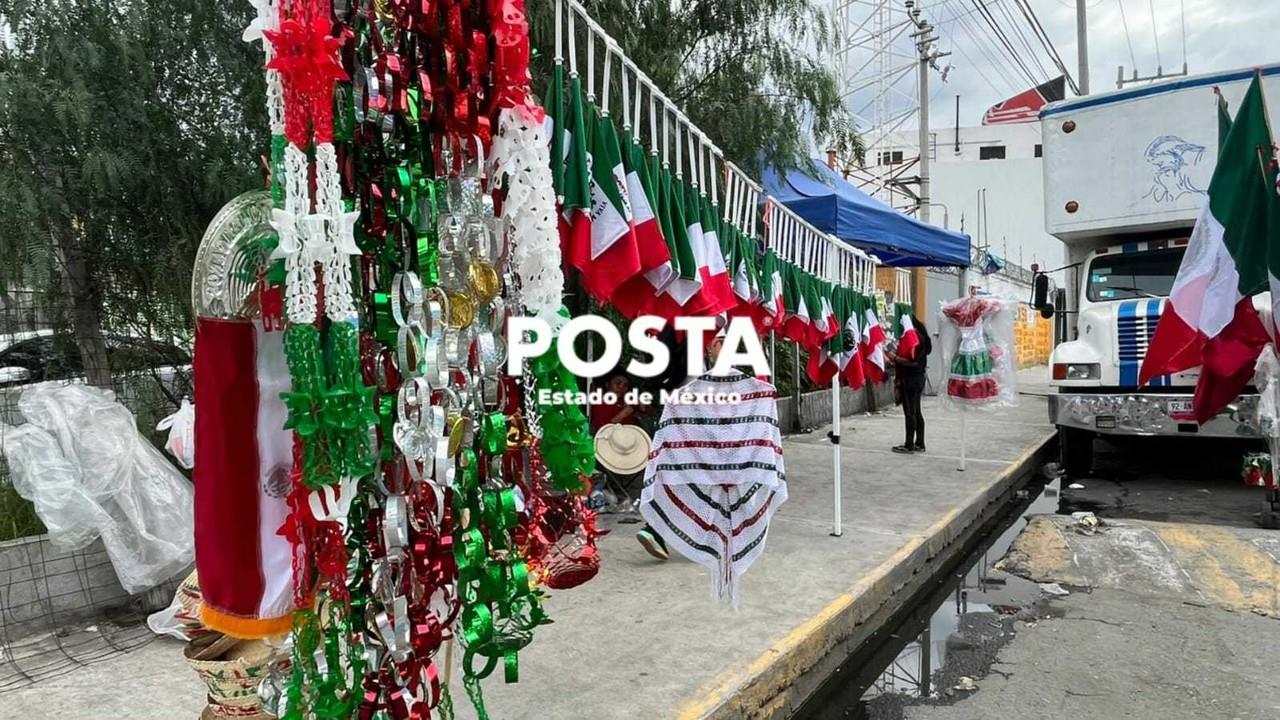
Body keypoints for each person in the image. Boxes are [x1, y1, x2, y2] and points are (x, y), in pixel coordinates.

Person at [890, 314, 931, 453]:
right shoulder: (920, 336)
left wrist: (894, 357)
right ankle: (919, 442)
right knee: (916, 411)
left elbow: (912, 361)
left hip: (911, 379)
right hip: (918, 378)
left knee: (910, 412)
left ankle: (909, 445)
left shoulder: (914, 338)